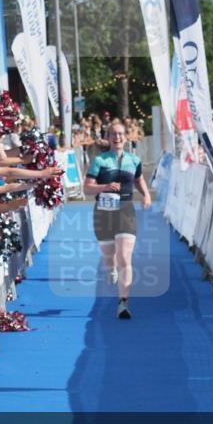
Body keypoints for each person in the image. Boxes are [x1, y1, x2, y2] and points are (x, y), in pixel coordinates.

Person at [83, 119, 152, 319]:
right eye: (113, 134)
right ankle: (111, 268)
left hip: (126, 211)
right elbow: (87, 188)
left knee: (124, 257)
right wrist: (104, 187)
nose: (118, 137)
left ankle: (123, 303)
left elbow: (138, 179)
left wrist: (146, 195)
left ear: (126, 137)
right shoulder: (100, 161)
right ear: (108, 138)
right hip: (103, 214)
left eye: (121, 134)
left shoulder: (134, 160)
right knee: (108, 256)